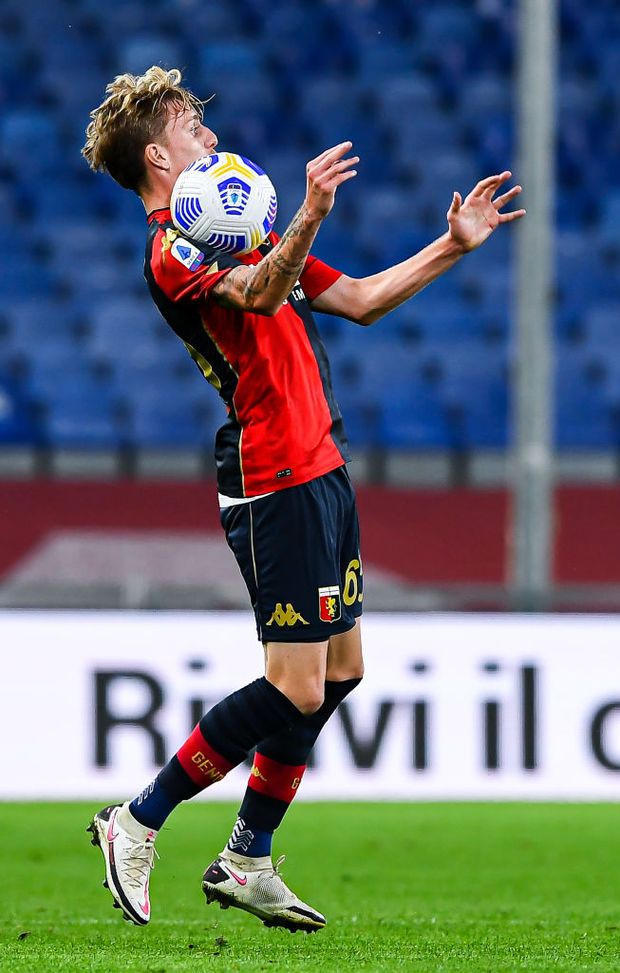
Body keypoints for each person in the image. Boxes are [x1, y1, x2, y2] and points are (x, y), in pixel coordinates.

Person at [82, 66, 525, 934]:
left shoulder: (242, 228)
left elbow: (357, 300)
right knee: (294, 685)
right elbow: (254, 294)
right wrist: (310, 213)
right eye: (189, 125)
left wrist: (452, 247)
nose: (208, 134)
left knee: (340, 673)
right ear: (156, 155)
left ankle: (247, 858)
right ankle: (136, 820)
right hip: (271, 473)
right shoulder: (174, 250)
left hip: (321, 463)